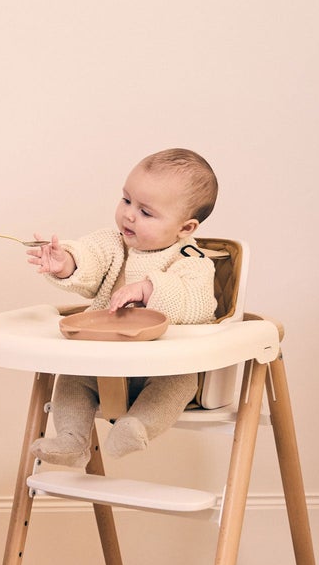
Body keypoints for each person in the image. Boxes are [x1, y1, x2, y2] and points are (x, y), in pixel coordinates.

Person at [25, 148, 221, 467]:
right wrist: (66, 263)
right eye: (127, 200)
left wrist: (149, 289)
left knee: (180, 383)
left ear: (185, 229)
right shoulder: (114, 243)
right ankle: (72, 438)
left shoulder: (191, 261)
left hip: (163, 368)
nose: (129, 215)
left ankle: (137, 425)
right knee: (73, 379)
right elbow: (90, 257)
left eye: (146, 212)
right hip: (106, 364)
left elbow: (196, 303)